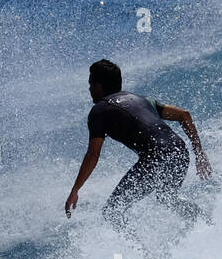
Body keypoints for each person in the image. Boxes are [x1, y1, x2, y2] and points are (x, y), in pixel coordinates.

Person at [64, 59, 212, 233]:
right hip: (179, 151)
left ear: (99, 86)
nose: (89, 90)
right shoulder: (142, 100)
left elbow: (93, 155)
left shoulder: (100, 110)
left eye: (91, 85)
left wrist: (75, 189)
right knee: (167, 198)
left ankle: (145, 255)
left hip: (156, 157)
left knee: (112, 211)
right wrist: (200, 154)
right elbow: (184, 115)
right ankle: (206, 223)